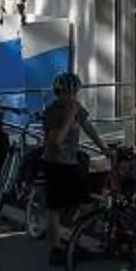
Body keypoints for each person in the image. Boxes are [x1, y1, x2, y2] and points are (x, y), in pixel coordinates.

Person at [37, 70, 108, 252]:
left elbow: (88, 127)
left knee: (85, 202)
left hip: (70, 162)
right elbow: (56, 140)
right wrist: (69, 117)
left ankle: (72, 234)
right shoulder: (53, 111)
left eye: (74, 93)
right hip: (54, 163)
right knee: (55, 207)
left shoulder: (76, 107)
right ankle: (56, 248)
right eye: (67, 93)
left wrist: (104, 149)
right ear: (59, 93)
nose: (71, 97)